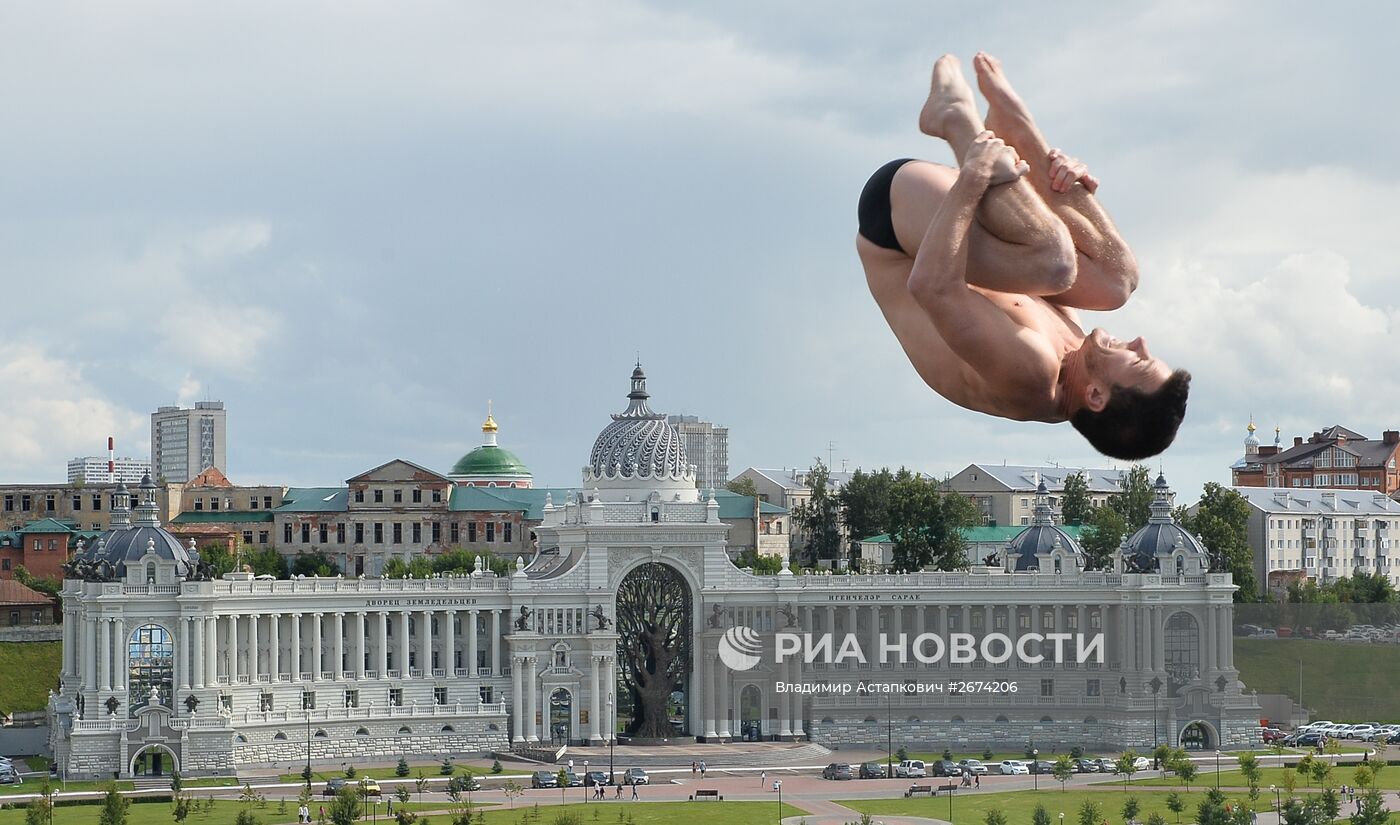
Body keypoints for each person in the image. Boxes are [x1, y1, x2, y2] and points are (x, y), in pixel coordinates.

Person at [858, 53, 1189, 460]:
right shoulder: (1076, 354)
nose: (1140, 342)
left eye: (1139, 363)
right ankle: (1016, 134)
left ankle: (957, 122)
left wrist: (975, 174)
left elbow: (931, 286)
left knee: (1055, 263)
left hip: (897, 227)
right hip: (960, 219)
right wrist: (1071, 185)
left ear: (1097, 395)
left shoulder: (1032, 376)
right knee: (1117, 282)